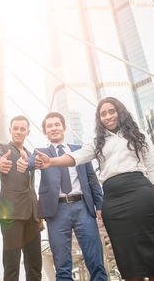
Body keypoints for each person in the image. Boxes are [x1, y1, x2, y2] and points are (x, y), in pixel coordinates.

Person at [34, 98, 154, 281]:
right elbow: (76, 157)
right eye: (103, 114)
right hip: (113, 203)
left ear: (120, 112)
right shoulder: (96, 142)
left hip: (141, 196)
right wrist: (51, 161)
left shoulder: (139, 135)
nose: (108, 116)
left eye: (112, 111)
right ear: (99, 119)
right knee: (128, 262)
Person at [17, 112, 107, 281]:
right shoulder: (42, 152)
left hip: (83, 208)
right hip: (56, 212)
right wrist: (24, 163)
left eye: (57, 124)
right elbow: (31, 162)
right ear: (45, 132)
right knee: (62, 265)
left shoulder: (79, 150)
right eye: (49, 126)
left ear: (64, 127)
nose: (54, 128)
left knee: (95, 260)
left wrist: (100, 205)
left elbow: (92, 179)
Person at [0, 115, 42, 281]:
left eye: (22, 129)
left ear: (28, 131)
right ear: (10, 130)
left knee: (35, 263)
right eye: (16, 128)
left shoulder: (30, 154)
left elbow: (31, 186)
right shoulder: (3, 148)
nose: (19, 132)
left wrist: (38, 213)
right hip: (10, 214)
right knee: (12, 263)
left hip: (32, 215)